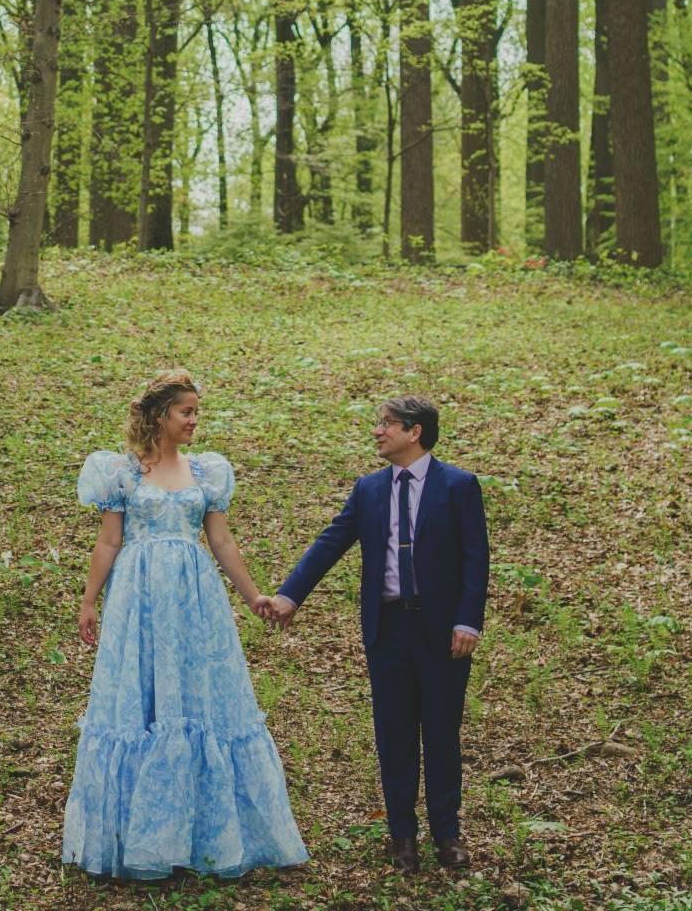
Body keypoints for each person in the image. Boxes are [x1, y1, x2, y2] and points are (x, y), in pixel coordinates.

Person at [61, 369, 308, 881]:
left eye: (196, 411)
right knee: (144, 703)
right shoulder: (123, 473)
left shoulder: (206, 472)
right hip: (139, 598)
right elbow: (109, 542)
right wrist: (89, 601)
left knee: (199, 701)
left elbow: (221, 542)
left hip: (195, 602)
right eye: (186, 411)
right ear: (159, 417)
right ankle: (141, 839)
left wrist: (253, 594)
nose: (195, 420)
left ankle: (204, 837)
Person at [258, 395, 489, 875]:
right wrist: (289, 596)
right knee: (394, 735)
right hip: (388, 630)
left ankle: (448, 834)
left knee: (442, 733)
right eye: (378, 423)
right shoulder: (369, 490)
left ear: (415, 432)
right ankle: (401, 837)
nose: (377, 431)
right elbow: (331, 542)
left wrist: (468, 620)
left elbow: (475, 559)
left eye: (387, 424)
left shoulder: (459, 486)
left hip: (443, 631)